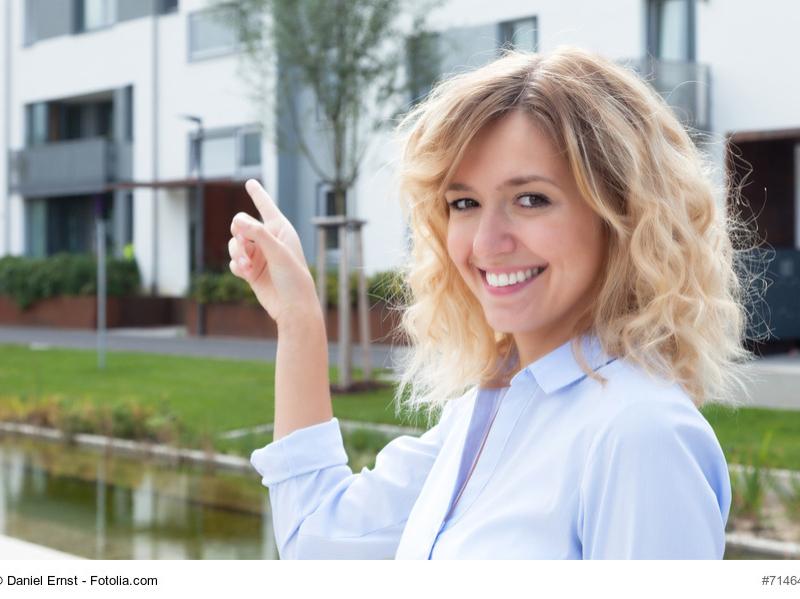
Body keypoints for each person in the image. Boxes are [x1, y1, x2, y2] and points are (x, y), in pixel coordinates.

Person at [227, 46, 760, 559]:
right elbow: (319, 539)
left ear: (623, 216)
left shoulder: (642, 436)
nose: (485, 244)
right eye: (464, 203)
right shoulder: (486, 413)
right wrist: (297, 320)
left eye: (530, 199)